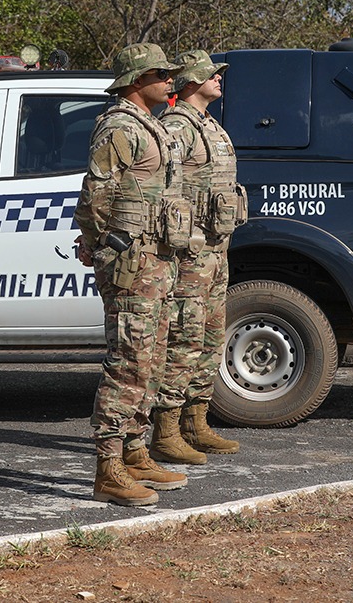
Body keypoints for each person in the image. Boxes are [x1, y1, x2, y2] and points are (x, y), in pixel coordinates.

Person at [74, 42, 192, 506]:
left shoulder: (153, 127)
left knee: (154, 359)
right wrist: (103, 246)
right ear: (136, 80)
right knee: (129, 362)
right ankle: (108, 467)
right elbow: (95, 197)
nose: (170, 80)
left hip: (158, 261)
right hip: (132, 262)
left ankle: (136, 450)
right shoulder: (120, 127)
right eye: (161, 73)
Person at [150, 49, 246, 465]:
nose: (219, 80)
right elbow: (162, 185)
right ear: (191, 82)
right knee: (184, 337)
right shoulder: (176, 127)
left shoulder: (209, 125)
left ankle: (196, 422)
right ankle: (166, 431)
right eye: (211, 75)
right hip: (189, 252)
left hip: (215, 249)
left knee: (210, 335)